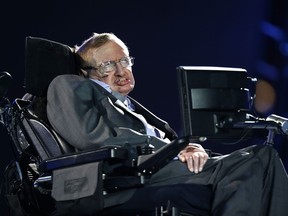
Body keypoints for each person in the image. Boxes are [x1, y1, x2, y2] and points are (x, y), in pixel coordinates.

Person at [46, 32, 288, 216]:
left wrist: (189, 147)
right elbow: (91, 137)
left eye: (125, 61)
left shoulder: (127, 105)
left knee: (262, 157)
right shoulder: (69, 85)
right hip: (127, 175)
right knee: (254, 162)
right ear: (86, 72)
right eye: (108, 65)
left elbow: (167, 142)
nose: (121, 71)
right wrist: (170, 148)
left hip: (162, 167)